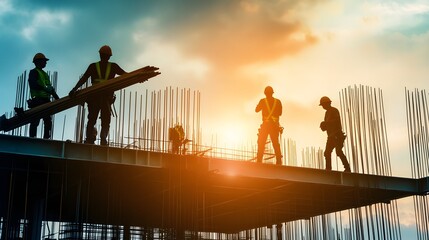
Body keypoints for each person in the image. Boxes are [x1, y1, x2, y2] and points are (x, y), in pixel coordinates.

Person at [69, 45, 127, 145]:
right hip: (106, 97)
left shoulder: (93, 66)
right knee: (106, 120)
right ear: (109, 56)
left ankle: (89, 139)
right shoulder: (113, 66)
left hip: (94, 96)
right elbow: (126, 75)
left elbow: (84, 79)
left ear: (100, 54)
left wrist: (74, 89)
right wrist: (139, 78)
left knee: (92, 119)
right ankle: (103, 137)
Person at [28, 53, 59, 139]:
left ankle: (46, 138)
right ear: (38, 62)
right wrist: (45, 89)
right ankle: (32, 138)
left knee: (48, 121)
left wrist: (57, 99)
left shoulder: (45, 74)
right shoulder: (33, 72)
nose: (45, 63)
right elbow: (33, 84)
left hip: (45, 100)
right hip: (38, 100)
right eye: (44, 61)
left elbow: (50, 89)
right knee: (35, 121)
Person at [319, 96, 351, 172]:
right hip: (330, 136)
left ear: (328, 103)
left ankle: (347, 168)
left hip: (337, 135)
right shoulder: (327, 113)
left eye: (323, 105)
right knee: (327, 153)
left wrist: (326, 123)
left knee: (338, 151)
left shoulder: (334, 110)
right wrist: (323, 127)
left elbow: (336, 121)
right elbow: (327, 126)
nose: (323, 106)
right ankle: (328, 169)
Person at [255, 86, 283, 165]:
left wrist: (262, 106)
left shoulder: (263, 101)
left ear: (265, 93)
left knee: (261, 143)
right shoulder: (278, 102)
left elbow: (256, 110)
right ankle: (279, 162)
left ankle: (259, 161)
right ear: (272, 93)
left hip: (266, 125)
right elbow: (280, 113)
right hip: (274, 126)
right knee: (275, 143)